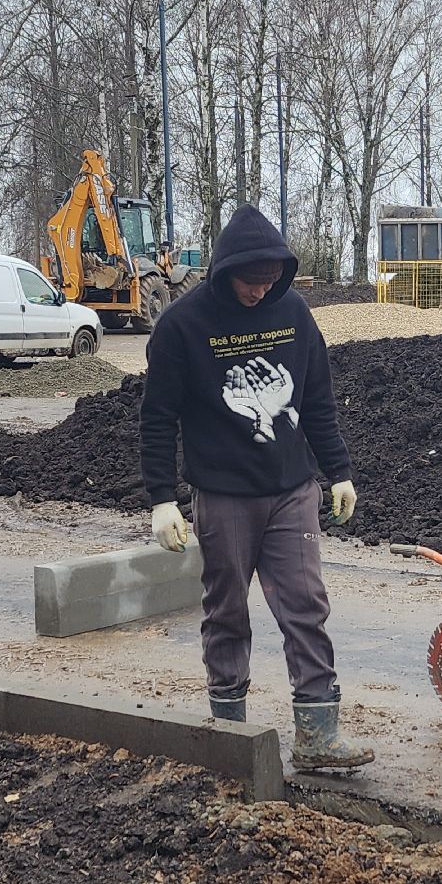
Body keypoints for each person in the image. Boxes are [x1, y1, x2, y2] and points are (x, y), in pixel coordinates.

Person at [139, 203, 373, 771]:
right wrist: (162, 499)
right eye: (250, 281)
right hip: (224, 495)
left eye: (270, 280)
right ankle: (229, 736)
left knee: (305, 606)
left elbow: (317, 398)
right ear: (226, 272)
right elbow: (157, 417)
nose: (260, 291)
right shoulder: (183, 325)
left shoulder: (292, 312)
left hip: (292, 489)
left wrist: (339, 471)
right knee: (226, 611)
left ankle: (317, 734)